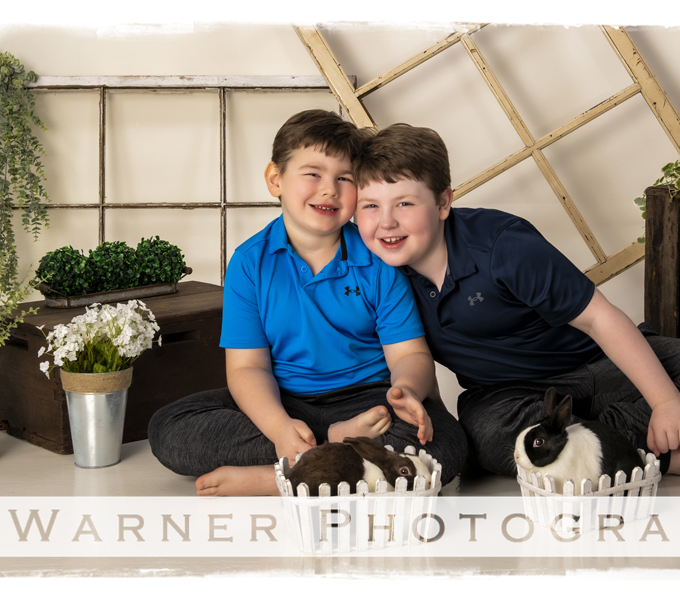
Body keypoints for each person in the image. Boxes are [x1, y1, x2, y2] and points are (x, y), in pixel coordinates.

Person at [352, 123, 680, 486]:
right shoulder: (379, 273)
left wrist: (665, 404)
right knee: (487, 436)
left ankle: (611, 452)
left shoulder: (501, 246)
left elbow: (601, 319)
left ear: (443, 203)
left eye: (404, 204)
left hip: (599, 367)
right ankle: (662, 460)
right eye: (370, 206)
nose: (386, 222)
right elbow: (414, 356)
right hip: (508, 395)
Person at [148, 110, 467, 496]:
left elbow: (409, 354)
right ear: (275, 179)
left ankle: (286, 477)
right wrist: (280, 429)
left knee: (447, 445)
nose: (329, 189)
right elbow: (247, 367)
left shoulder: (377, 259)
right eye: (313, 173)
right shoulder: (250, 263)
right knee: (170, 428)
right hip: (285, 402)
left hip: (370, 402)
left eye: (344, 178)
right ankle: (329, 458)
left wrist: (405, 391)